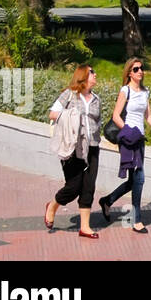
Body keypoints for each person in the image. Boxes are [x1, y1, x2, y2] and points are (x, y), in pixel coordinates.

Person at [100, 58, 151, 234]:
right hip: (128, 139)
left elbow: (148, 116)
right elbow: (116, 115)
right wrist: (127, 130)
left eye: (142, 68)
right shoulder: (125, 90)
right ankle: (136, 220)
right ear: (129, 73)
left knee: (134, 180)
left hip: (139, 140)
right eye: (136, 69)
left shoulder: (145, 92)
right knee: (139, 178)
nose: (140, 71)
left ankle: (107, 201)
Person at [45, 64, 103, 239]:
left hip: (92, 148)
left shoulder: (96, 99)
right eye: (92, 72)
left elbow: (97, 122)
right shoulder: (69, 94)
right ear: (83, 76)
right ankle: (53, 206)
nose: (95, 75)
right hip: (71, 147)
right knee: (73, 186)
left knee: (89, 187)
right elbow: (53, 113)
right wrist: (72, 116)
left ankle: (85, 227)